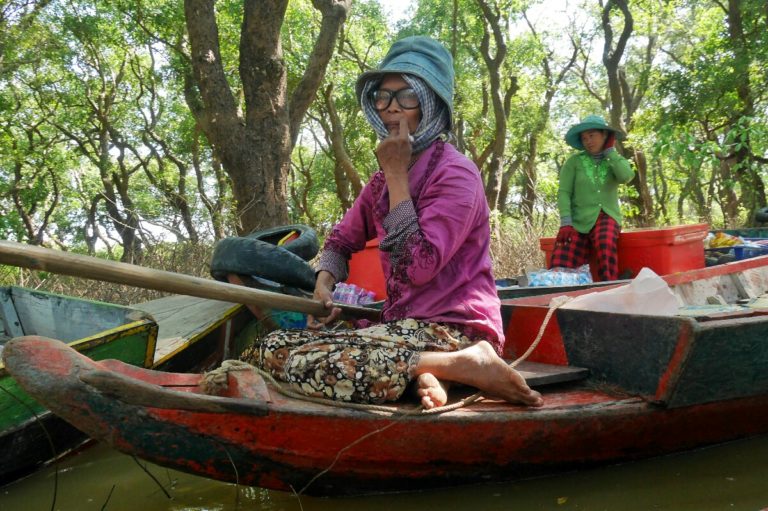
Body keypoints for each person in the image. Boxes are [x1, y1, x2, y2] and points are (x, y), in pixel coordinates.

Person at [240, 36, 542, 410]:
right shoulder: (381, 181)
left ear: (430, 104)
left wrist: (397, 173)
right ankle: (434, 371)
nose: (392, 109)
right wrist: (325, 282)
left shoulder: (456, 175)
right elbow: (341, 241)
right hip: (402, 329)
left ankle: (466, 362)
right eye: (384, 97)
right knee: (267, 349)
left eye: (407, 96)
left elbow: (419, 266)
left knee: (306, 363)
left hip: (455, 330)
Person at [550, 115, 634, 281]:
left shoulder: (613, 159)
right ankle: (561, 293)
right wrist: (566, 222)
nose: (588, 141)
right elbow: (564, 192)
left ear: (604, 136)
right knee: (561, 254)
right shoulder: (574, 162)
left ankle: (609, 286)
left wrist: (610, 151)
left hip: (606, 216)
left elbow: (626, 176)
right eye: (584, 138)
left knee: (605, 242)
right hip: (577, 220)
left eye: (592, 135)